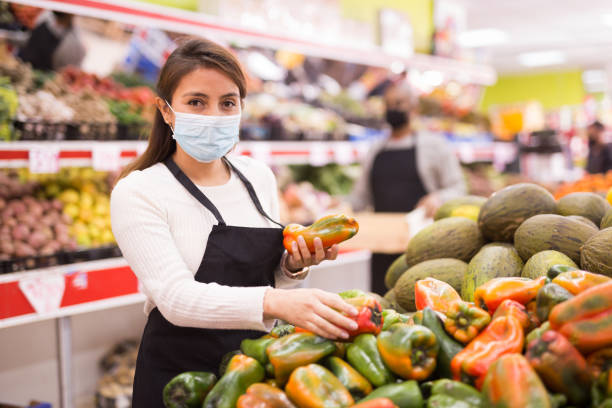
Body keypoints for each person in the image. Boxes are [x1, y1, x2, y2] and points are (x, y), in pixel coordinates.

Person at [110, 38, 358, 407]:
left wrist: (292, 267)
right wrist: (276, 302)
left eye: (228, 102)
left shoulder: (259, 177)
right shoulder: (139, 191)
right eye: (196, 102)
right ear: (166, 110)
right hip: (178, 382)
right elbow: (176, 299)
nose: (214, 115)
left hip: (253, 372)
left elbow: (267, 282)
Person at [349, 80, 466, 295]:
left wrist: (438, 197)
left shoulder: (435, 146)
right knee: (382, 304)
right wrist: (340, 206)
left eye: (399, 103)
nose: (393, 109)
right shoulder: (375, 149)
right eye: (388, 104)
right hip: (382, 246)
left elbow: (458, 188)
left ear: (414, 108)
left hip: (423, 248)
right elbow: (360, 197)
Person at [18, 10, 85, 71]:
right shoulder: (45, 16)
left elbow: (64, 71)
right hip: (18, 65)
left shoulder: (74, 44)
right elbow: (28, 39)